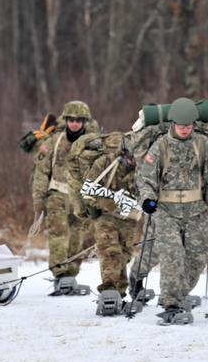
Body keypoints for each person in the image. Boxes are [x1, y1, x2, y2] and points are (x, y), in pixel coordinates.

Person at [136, 97, 208, 324]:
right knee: (173, 256)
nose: (185, 129)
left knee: (198, 256)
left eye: (189, 125)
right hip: (165, 211)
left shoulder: (203, 144)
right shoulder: (160, 146)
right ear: (173, 123)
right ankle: (171, 304)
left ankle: (176, 293)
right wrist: (147, 199)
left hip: (195, 211)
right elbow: (146, 179)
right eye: (181, 125)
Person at [66, 131, 142, 308]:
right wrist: (107, 202)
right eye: (130, 155)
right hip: (105, 216)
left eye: (137, 155)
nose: (133, 159)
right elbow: (88, 191)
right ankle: (108, 291)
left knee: (124, 254)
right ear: (123, 151)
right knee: (110, 251)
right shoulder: (105, 163)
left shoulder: (145, 168)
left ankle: (120, 294)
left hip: (129, 216)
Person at [31, 100, 99, 295]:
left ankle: (71, 275)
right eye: (71, 120)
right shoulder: (54, 141)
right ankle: (60, 276)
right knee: (59, 236)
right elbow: (41, 171)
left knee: (77, 239)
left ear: (85, 122)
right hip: (57, 196)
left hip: (81, 198)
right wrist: (39, 198)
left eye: (79, 120)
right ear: (66, 120)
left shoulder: (93, 143)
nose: (75, 124)